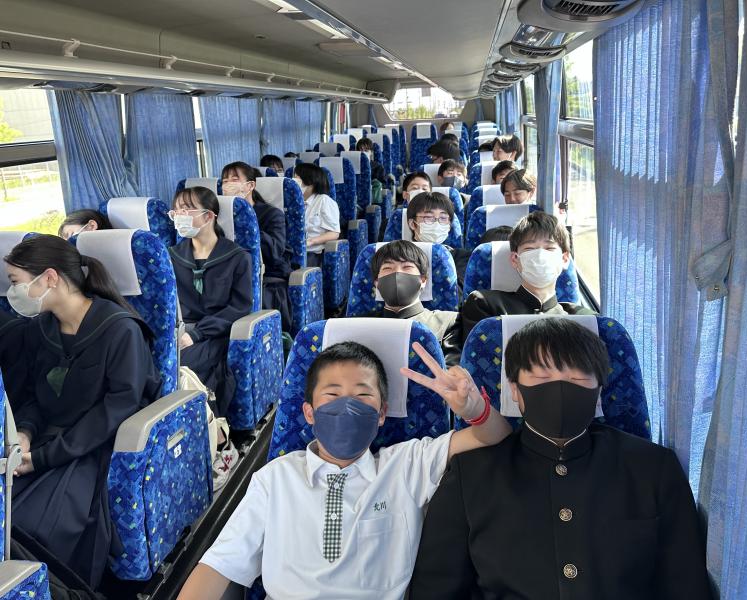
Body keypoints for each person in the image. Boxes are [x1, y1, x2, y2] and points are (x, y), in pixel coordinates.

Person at [177, 340, 512, 600]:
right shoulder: (275, 478)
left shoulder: (407, 464)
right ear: (309, 413)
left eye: (362, 396)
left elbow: (494, 435)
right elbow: (219, 566)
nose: (347, 406)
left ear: (381, 414)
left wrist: (474, 408)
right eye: (333, 395)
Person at [411, 318, 713, 599]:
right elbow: (436, 590)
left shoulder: (653, 469)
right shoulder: (469, 476)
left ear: (598, 391)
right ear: (515, 390)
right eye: (542, 377)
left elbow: (686, 585)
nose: (559, 390)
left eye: (577, 378)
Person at [0, 235, 161, 589]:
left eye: (16, 282)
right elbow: (34, 397)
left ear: (50, 278)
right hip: (46, 442)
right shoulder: (40, 329)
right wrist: (24, 432)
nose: (12, 293)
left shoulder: (121, 330)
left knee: (29, 524)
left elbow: (117, 409)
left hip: (97, 447)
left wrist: (42, 458)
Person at [443, 211, 592, 366]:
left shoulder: (584, 318)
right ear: (515, 259)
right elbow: (480, 364)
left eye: (549, 248)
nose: (540, 255)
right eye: (529, 249)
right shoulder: (484, 304)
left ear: (565, 259)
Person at [168, 187, 252, 417]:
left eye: (186, 209)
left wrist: (196, 334)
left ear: (208, 216)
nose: (179, 215)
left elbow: (239, 308)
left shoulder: (237, 257)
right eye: (176, 210)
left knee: (181, 364)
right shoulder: (170, 257)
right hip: (181, 330)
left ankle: (205, 422)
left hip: (218, 332)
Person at [221, 161, 292, 331]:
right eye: (225, 181)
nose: (228, 185)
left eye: (234, 180)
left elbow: (274, 252)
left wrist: (248, 224)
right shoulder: (220, 215)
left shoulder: (272, 214)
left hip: (267, 276)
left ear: (250, 185)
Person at [364, 241, 457, 341]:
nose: (397, 273)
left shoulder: (449, 322)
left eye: (407, 267)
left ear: (423, 280)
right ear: (377, 282)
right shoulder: (361, 325)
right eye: (387, 268)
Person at [406, 192, 470, 293]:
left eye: (443, 218)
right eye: (428, 217)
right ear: (412, 224)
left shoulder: (461, 257)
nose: (437, 223)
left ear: (449, 226)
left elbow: (457, 293)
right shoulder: (397, 256)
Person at [293, 163, 340, 267]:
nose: (293, 183)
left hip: (312, 254)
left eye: (297, 179)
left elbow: (334, 233)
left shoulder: (324, 201)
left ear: (310, 182)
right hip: (292, 251)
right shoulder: (292, 202)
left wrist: (311, 241)